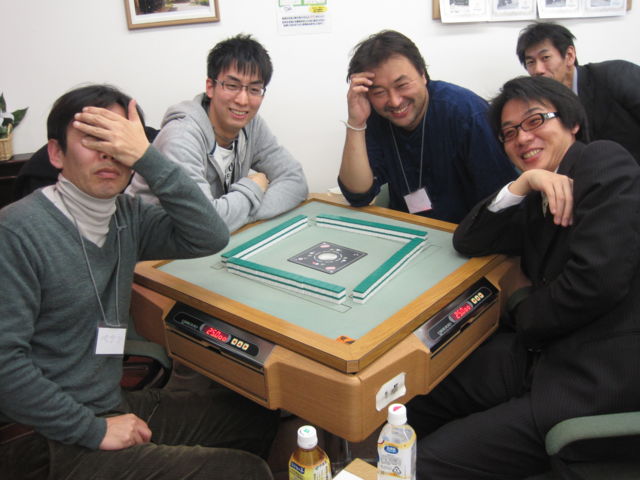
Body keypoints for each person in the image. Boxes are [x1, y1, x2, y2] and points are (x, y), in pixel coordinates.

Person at [0, 85, 278, 480]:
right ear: (56, 153)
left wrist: (149, 158)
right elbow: (4, 365)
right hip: (45, 436)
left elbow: (210, 235)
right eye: (92, 138)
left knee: (253, 417)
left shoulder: (127, 215)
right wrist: (94, 430)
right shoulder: (16, 231)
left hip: (107, 404)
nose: (108, 153)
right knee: (243, 472)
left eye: (118, 140)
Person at [406, 75, 640, 479]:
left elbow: (594, 284)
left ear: (572, 123)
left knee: (422, 465)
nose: (522, 138)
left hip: (593, 378)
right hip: (543, 353)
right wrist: (521, 184)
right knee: (420, 390)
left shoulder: (603, 161)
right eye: (510, 132)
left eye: (535, 121)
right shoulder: (537, 189)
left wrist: (519, 304)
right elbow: (467, 240)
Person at [127, 33, 308, 232]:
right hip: (152, 244)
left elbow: (295, 181)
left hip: (210, 240)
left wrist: (239, 214)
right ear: (210, 87)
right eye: (232, 86)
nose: (243, 100)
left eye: (254, 90)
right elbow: (205, 223)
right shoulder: (181, 137)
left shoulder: (252, 125)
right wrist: (253, 188)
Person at [338, 30, 517, 224]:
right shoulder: (377, 116)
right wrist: (356, 123)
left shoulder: (467, 114)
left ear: (423, 75)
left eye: (402, 85)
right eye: (379, 92)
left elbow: (502, 202)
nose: (395, 101)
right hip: (409, 229)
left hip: (468, 232)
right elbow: (358, 195)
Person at [516, 21, 640, 164]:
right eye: (531, 62)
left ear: (569, 55)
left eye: (545, 58)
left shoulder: (615, 74)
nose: (538, 70)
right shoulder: (542, 107)